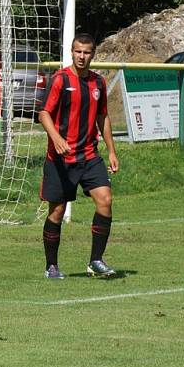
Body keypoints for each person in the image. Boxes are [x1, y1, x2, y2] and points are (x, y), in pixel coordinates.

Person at [38, 33, 119, 279]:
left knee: (105, 200)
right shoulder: (61, 79)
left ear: (93, 54)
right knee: (57, 212)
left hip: (89, 155)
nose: (82, 57)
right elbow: (44, 114)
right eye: (77, 52)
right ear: (72, 52)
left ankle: (96, 260)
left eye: (86, 52)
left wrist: (112, 150)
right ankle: (51, 266)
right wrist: (57, 138)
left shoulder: (98, 83)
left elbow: (102, 117)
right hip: (61, 158)